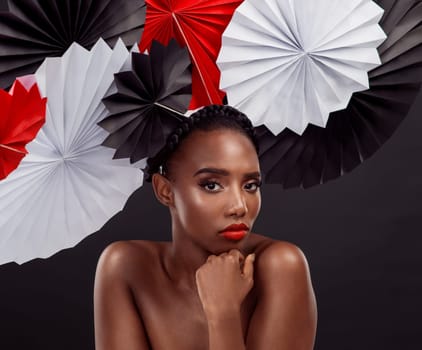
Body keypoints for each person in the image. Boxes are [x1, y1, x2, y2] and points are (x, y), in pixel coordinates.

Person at [94, 105, 317, 350]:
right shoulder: (127, 268)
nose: (239, 206)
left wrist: (223, 315)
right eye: (211, 185)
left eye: (250, 185)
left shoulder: (280, 266)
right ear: (165, 191)